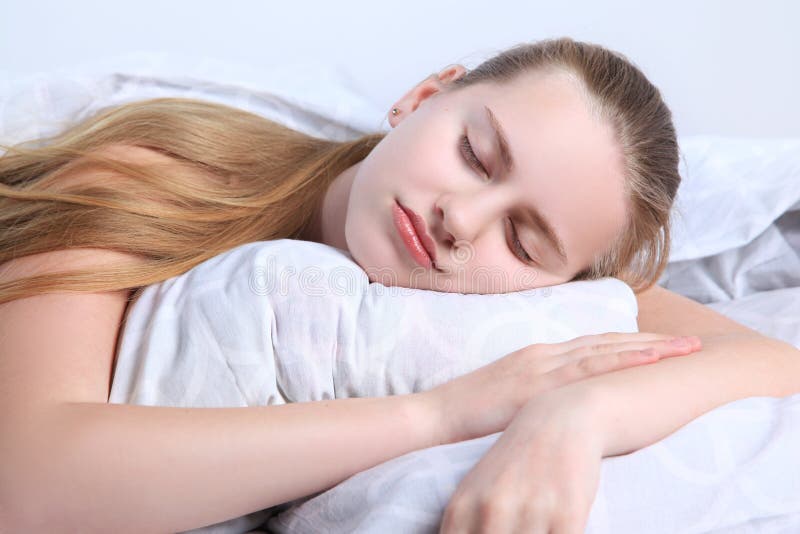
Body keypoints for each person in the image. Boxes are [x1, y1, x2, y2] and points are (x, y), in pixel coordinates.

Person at [0, 37, 797, 533]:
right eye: (476, 155)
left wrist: (575, 415)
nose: (463, 218)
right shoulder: (159, 170)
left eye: (523, 240)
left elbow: (769, 361)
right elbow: (26, 483)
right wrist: (439, 414)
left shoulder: (517, 297)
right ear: (423, 96)